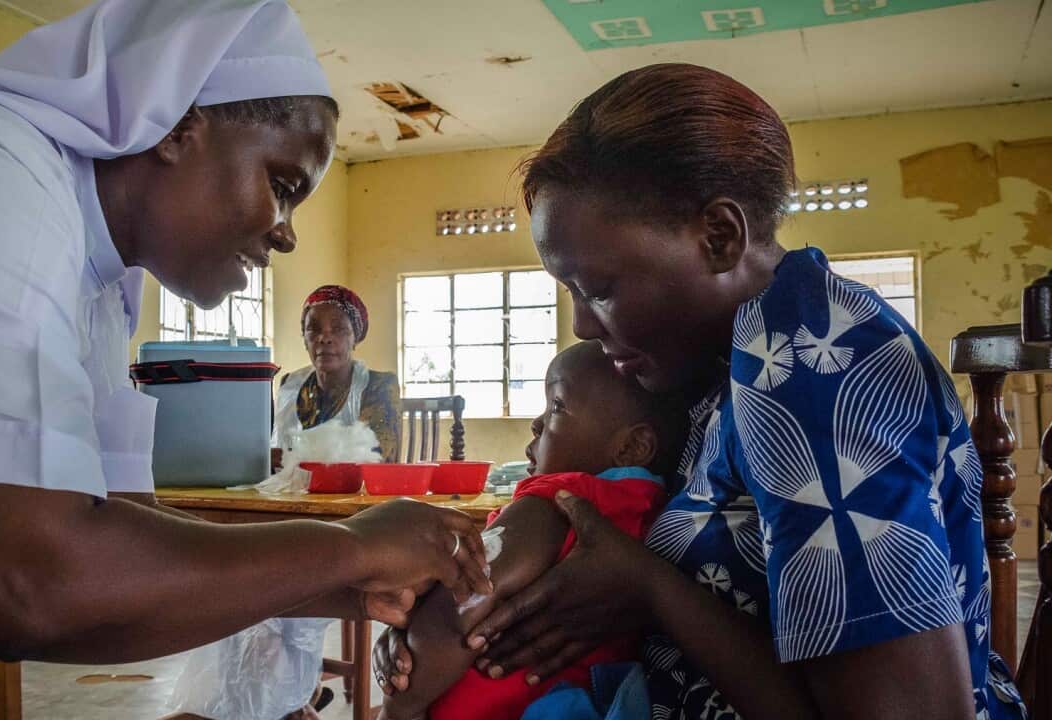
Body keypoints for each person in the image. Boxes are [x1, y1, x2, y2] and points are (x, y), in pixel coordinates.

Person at [0, 2, 489, 718]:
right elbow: (26, 584)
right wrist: (349, 548)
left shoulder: (102, 283)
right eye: (281, 185)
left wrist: (348, 587)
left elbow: (115, 546)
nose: (287, 234)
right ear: (179, 127)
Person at [375, 63, 1024, 719]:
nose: (580, 324)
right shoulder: (730, 359)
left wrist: (650, 587)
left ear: (719, 237)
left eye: (599, 288)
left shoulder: (807, 368)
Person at [378, 342, 686, 720]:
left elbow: (464, 602)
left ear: (632, 447)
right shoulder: (650, 514)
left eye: (557, 407)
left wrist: (398, 708)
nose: (537, 424)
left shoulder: (555, 502)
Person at [273, 285, 402, 467]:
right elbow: (275, 454)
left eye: (339, 328)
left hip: (356, 493)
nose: (324, 338)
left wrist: (292, 457)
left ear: (355, 338)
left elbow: (378, 459)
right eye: (313, 328)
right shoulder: (290, 386)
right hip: (292, 493)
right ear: (304, 338)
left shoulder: (379, 386)